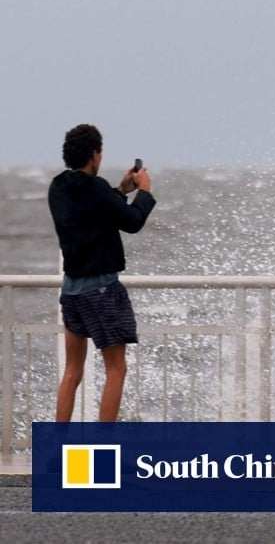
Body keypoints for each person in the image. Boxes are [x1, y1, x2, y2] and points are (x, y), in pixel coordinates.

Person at [48, 124, 155, 422]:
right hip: (102, 290)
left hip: (71, 290)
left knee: (72, 372)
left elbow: (94, 207)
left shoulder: (58, 186)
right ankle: (102, 450)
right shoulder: (95, 189)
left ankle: (60, 448)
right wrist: (144, 191)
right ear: (95, 154)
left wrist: (121, 190)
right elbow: (133, 221)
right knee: (116, 369)